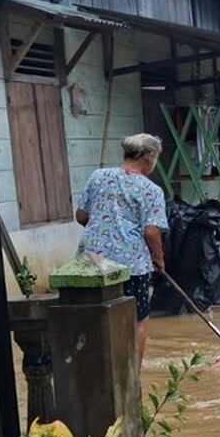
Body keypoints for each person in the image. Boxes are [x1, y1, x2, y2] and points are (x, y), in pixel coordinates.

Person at [76, 133, 168, 360]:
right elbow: (151, 231)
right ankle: (131, 381)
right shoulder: (152, 190)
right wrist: (159, 259)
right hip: (132, 267)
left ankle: (94, 373)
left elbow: (81, 216)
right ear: (148, 158)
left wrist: (102, 227)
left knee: (93, 319)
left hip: (91, 263)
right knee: (136, 321)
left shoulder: (98, 176)